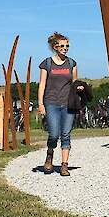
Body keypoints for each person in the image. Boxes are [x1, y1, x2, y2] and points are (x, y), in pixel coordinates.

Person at [38, 31, 82, 176]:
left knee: (66, 134)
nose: (65, 48)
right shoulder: (47, 63)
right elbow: (42, 84)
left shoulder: (71, 63)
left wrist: (79, 88)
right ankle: (49, 155)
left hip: (68, 103)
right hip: (51, 103)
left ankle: (64, 165)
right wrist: (40, 104)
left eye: (67, 45)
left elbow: (74, 82)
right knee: (54, 133)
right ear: (55, 47)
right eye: (62, 45)